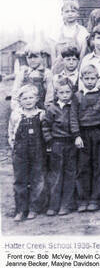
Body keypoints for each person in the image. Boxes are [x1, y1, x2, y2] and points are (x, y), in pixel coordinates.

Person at [72, 64, 100, 212]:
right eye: (86, 78)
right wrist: (76, 135)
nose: (89, 81)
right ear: (81, 79)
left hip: (99, 132)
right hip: (83, 134)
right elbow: (73, 117)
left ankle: (95, 198)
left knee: (99, 166)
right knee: (83, 167)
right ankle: (83, 199)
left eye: (92, 78)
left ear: (97, 78)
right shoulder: (77, 96)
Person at [42, 78, 80, 216]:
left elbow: (77, 123)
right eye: (61, 92)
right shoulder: (52, 108)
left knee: (70, 174)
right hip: (56, 144)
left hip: (71, 143)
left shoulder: (74, 106)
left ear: (72, 92)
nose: (64, 95)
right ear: (56, 93)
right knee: (56, 175)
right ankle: (53, 205)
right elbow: (45, 126)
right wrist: (50, 141)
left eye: (67, 92)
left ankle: (66, 204)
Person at [8, 85, 46, 221]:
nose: (28, 101)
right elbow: (11, 132)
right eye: (25, 98)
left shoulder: (41, 114)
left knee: (37, 179)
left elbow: (45, 133)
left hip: (38, 151)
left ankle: (34, 208)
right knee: (20, 180)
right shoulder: (16, 115)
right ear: (20, 100)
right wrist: (14, 147)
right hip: (20, 152)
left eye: (31, 98)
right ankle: (20, 209)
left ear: (36, 99)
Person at [51, 0, 89, 74]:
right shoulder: (56, 31)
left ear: (77, 14)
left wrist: (79, 70)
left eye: (73, 11)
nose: (70, 14)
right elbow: (53, 54)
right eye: (67, 11)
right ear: (62, 13)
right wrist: (54, 69)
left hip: (76, 69)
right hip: (59, 69)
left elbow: (83, 54)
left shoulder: (83, 31)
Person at [11, 44, 54, 110]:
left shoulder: (47, 73)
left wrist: (47, 110)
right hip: (24, 109)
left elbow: (50, 94)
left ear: (42, 57)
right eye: (29, 58)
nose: (32, 60)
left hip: (41, 109)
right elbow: (15, 93)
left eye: (35, 57)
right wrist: (17, 109)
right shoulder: (22, 73)